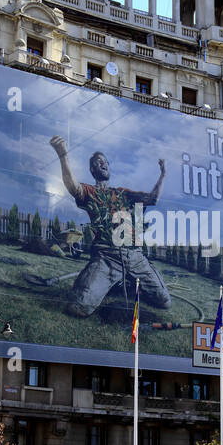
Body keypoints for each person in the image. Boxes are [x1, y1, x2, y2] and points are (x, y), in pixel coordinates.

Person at [50, 135, 171, 317]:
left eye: (105, 162)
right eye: (99, 163)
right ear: (92, 169)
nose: (103, 165)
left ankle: (127, 282)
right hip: (106, 256)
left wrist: (163, 175)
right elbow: (73, 187)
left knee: (164, 302)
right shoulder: (90, 192)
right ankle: (107, 281)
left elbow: (152, 199)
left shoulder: (123, 193)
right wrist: (63, 155)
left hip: (135, 258)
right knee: (78, 307)